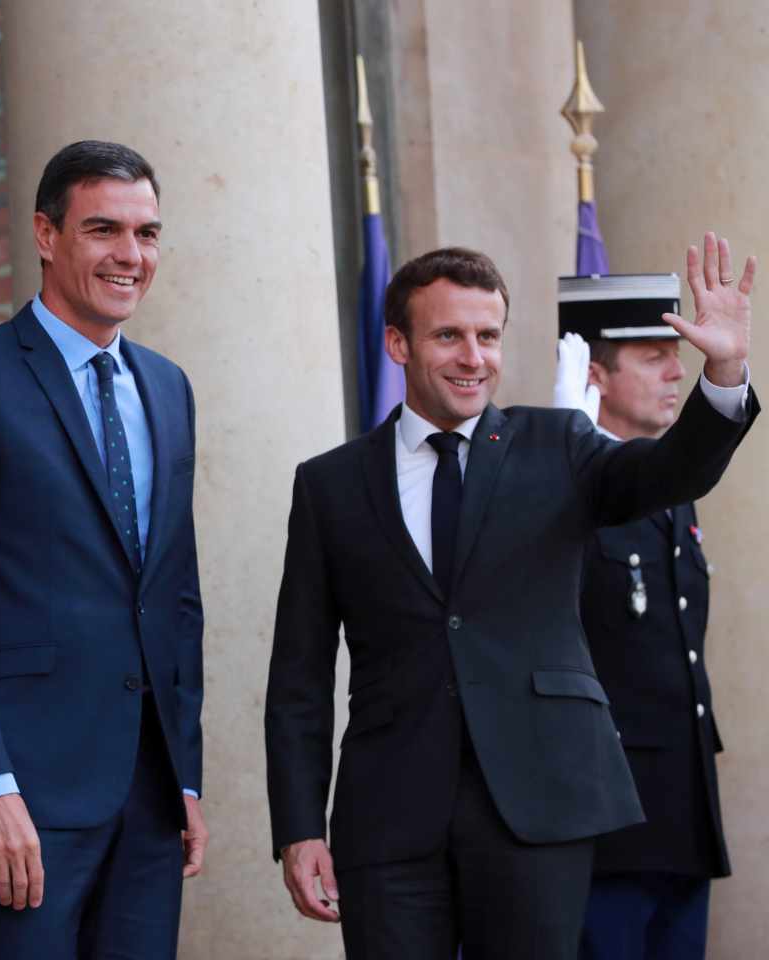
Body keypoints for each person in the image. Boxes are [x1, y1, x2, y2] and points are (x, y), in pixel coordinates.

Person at [264, 240, 756, 960]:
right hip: (390, 819)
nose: (473, 357)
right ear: (397, 343)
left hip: (538, 808)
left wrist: (724, 373)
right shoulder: (330, 484)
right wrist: (301, 827)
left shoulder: (559, 444)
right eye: (449, 336)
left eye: (488, 336)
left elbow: (672, 471)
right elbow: (299, 675)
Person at [0, 139, 208, 958]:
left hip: (146, 795)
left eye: (146, 234)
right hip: (21, 794)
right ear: (44, 234)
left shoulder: (168, 387)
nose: (129, 256)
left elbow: (175, 596)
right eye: (104, 229)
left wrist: (183, 773)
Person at [552, 274, 730, 960]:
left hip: (682, 808)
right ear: (595, 373)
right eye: (653, 355)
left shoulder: (671, 491)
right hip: (608, 819)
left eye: (674, 353)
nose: (674, 370)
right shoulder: (562, 490)